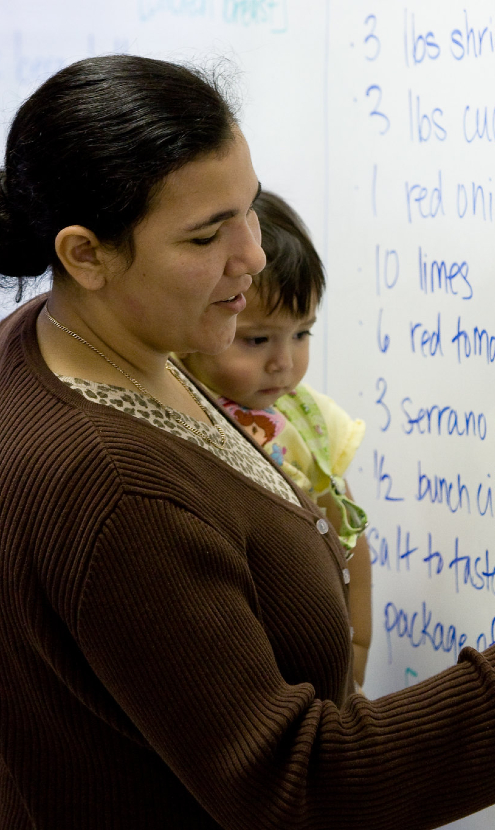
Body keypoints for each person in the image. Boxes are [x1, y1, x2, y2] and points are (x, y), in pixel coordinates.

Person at [0, 54, 495, 830]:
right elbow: (298, 788)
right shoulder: (114, 488)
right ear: (85, 255)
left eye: (251, 207)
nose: (255, 254)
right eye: (206, 236)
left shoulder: (64, 339)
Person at [179, 189, 372, 689]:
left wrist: (357, 645)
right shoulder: (177, 399)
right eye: (258, 339)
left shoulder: (311, 420)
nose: (285, 362)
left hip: (312, 657)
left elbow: (349, 535)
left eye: (302, 334)